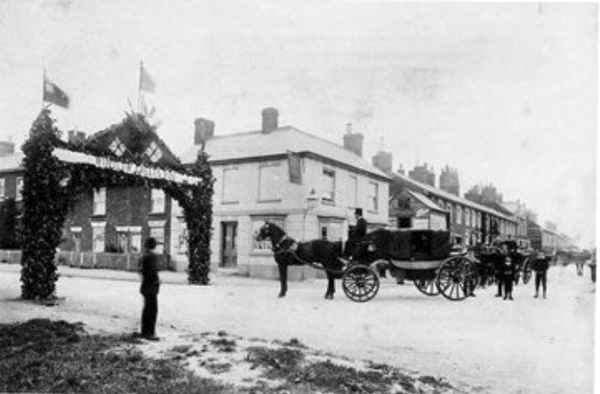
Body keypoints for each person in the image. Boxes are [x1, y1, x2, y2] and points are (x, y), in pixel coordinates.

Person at [139, 237, 160, 341]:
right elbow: (152, 272)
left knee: (147, 309)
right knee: (152, 310)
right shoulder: (151, 256)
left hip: (145, 286)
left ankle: (144, 331)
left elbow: (142, 270)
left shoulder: (144, 256)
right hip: (150, 287)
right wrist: (156, 282)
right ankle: (150, 333)